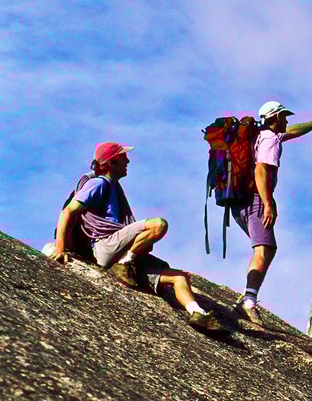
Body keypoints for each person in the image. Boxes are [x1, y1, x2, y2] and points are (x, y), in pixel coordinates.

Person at [50, 141, 224, 333]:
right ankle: (125, 263)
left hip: (119, 248)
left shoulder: (115, 189)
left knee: (180, 277)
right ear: (112, 163)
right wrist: (60, 249)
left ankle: (197, 313)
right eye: (123, 157)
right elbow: (68, 212)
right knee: (158, 224)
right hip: (105, 246)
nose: (128, 161)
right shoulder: (98, 184)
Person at [232, 101, 312, 326]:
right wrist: (268, 203)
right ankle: (248, 301)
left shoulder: (261, 135)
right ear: (274, 119)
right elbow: (261, 170)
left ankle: (248, 298)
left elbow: (292, 131)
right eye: (283, 117)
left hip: (239, 204)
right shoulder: (270, 140)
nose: (287, 120)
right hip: (255, 200)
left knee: (265, 248)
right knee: (265, 249)